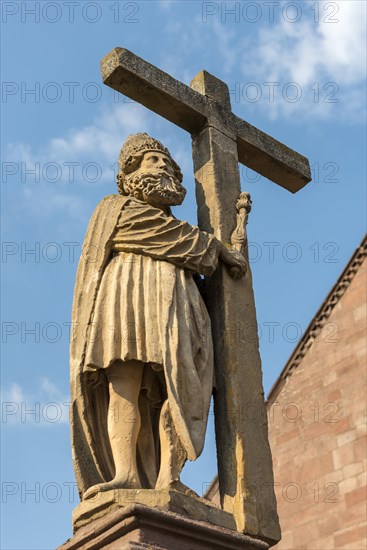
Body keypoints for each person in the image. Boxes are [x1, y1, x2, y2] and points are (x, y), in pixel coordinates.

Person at [70, 133, 246, 499]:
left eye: (167, 162)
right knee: (123, 387)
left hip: (175, 299)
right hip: (124, 300)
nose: (163, 165)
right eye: (152, 160)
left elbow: (187, 245)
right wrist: (217, 247)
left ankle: (170, 477)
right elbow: (161, 235)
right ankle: (125, 475)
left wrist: (218, 250)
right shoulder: (115, 209)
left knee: (179, 386)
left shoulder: (182, 232)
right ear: (130, 172)